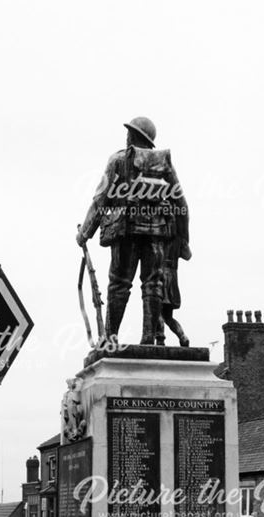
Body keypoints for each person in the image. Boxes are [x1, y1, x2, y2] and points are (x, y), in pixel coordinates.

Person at [77, 116, 190, 346]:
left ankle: (110, 338)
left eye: (128, 132)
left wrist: (85, 233)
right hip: (157, 236)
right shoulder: (164, 162)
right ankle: (148, 337)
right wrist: (184, 241)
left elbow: (101, 201)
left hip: (126, 233)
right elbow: (182, 206)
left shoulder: (118, 160)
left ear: (132, 136)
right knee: (153, 285)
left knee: (119, 284)